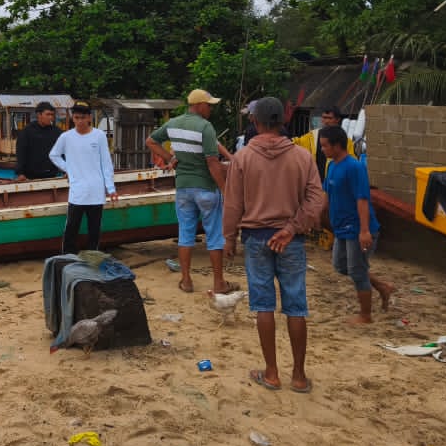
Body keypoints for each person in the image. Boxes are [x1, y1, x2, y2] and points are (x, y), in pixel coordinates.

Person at [224, 96, 325, 393]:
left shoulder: (242, 157)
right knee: (296, 307)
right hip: (290, 240)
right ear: (283, 121)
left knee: (263, 305)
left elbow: (232, 204)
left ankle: (271, 373)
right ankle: (298, 376)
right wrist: (292, 228)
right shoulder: (302, 156)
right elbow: (317, 199)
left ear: (254, 122)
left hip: (255, 239)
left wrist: (228, 238)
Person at [147, 89, 233, 294]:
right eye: (209, 105)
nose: (210, 108)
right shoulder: (205, 126)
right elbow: (212, 162)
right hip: (205, 188)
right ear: (199, 105)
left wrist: (170, 159)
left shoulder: (173, 123)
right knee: (214, 235)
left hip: (183, 188)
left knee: (185, 234)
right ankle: (218, 283)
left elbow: (150, 141)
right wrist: (225, 190)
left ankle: (186, 281)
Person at [318, 125, 394, 323]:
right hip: (341, 228)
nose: (322, 149)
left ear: (336, 146)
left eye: (325, 146)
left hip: (356, 228)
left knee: (357, 271)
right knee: (341, 266)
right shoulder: (332, 166)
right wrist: (317, 214)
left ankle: (365, 315)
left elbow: (362, 199)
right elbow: (327, 194)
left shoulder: (354, 167)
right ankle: (382, 287)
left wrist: (364, 230)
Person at [48, 101, 117, 254]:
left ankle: (92, 257)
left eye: (82, 118)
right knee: (71, 227)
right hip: (77, 191)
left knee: (94, 229)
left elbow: (106, 162)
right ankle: (68, 257)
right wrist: (69, 169)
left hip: (96, 191)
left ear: (89, 118)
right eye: (77, 117)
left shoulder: (99, 136)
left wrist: (111, 188)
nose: (80, 121)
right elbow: (54, 155)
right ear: (73, 118)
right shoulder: (66, 137)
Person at [14, 101, 62, 182]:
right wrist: (20, 173)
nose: (50, 117)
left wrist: (67, 170)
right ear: (39, 115)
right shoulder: (27, 131)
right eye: (48, 114)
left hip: (51, 176)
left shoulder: (57, 132)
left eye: (52, 115)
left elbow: (64, 152)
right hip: (30, 177)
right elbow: (21, 153)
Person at [293, 105, 342, 180]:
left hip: (335, 183)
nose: (326, 121)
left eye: (329, 118)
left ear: (337, 119)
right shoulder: (312, 136)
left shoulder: (344, 140)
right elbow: (296, 143)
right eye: (324, 117)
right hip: (315, 183)